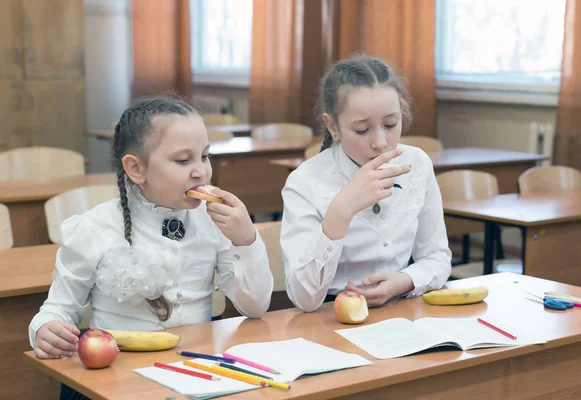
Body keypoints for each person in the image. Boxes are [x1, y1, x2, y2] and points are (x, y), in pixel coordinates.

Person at [29, 98, 273, 398]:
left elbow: (255, 306)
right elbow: (56, 310)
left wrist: (245, 240)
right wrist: (45, 329)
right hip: (117, 379)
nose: (201, 172)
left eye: (205, 156)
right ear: (136, 168)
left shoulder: (214, 221)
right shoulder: (95, 228)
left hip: (198, 371)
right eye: (183, 161)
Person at [281, 55, 451, 312]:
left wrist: (405, 280)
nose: (380, 142)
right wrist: (341, 211)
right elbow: (303, 298)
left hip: (403, 307)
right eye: (362, 130)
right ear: (333, 127)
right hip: (329, 315)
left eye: (391, 124)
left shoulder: (417, 164)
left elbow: (438, 256)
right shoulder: (305, 182)